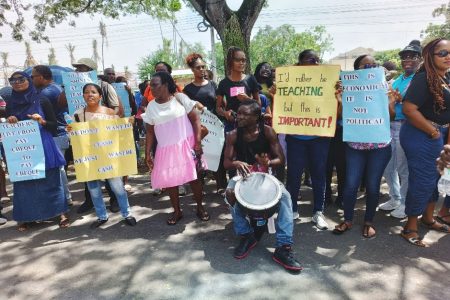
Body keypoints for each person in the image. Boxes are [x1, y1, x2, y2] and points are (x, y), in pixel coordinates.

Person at [223, 100, 302, 272]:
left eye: (245, 114)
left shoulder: (268, 132)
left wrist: (268, 161)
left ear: (256, 116)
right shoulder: (233, 134)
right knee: (230, 193)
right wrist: (236, 162)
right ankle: (246, 235)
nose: (240, 116)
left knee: (285, 197)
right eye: (239, 113)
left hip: (265, 175)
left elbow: (281, 159)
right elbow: (226, 163)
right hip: (242, 177)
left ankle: (283, 247)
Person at [333, 55, 394, 238]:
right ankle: (348, 219)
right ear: (356, 70)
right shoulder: (347, 88)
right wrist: (340, 99)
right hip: (355, 146)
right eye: (365, 65)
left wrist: (391, 101)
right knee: (351, 185)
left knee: (373, 185)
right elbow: (342, 116)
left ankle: (369, 221)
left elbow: (390, 115)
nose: (370, 67)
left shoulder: (385, 87)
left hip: (380, 146)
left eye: (373, 65)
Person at [400, 38, 450, 247]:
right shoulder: (423, 79)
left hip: (437, 134)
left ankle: (427, 219)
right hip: (422, 134)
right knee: (422, 180)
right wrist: (433, 133)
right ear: (430, 56)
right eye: (443, 53)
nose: (448, 57)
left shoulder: (444, 78)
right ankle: (409, 227)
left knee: (434, 179)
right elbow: (408, 109)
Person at [143, 72, 209, 225]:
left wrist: (198, 143)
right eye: (150, 85)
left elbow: (196, 120)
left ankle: (200, 207)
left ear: (165, 85)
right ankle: (177, 211)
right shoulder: (151, 106)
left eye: (154, 84)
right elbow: (150, 132)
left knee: (194, 179)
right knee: (171, 183)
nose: (151, 88)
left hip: (187, 146)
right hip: (165, 150)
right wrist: (147, 154)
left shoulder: (180, 98)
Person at [6, 71, 68, 231]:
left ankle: (61, 213)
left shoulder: (42, 99)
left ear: (29, 81)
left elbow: (55, 125)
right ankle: (26, 217)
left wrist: (42, 121)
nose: (17, 82)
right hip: (21, 150)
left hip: (44, 145)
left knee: (51, 180)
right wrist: (10, 121)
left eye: (21, 79)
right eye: (13, 80)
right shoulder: (11, 103)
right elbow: (8, 125)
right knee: (24, 184)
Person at [70, 83, 137, 228]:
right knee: (94, 190)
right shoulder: (77, 114)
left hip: (108, 156)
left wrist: (128, 123)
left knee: (118, 187)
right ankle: (101, 216)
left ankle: (127, 213)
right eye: (86, 92)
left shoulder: (109, 113)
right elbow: (74, 134)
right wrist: (69, 129)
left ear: (100, 96)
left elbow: (118, 131)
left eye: (93, 92)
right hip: (89, 157)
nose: (90, 95)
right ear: (83, 96)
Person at [65, 58, 122, 214]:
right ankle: (89, 200)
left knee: (109, 170)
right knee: (88, 169)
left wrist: (103, 123)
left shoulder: (104, 86)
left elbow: (115, 108)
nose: (77, 72)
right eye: (76, 69)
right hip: (83, 137)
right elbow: (62, 102)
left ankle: (115, 200)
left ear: (90, 70)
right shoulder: (72, 86)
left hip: (103, 136)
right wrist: (66, 89)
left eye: (81, 68)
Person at [285, 49, 330, 229]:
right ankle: (292, 209)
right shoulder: (289, 81)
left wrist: (337, 96)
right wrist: (275, 95)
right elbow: (281, 108)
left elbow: (335, 109)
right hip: (295, 138)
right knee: (294, 176)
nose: (315, 63)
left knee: (319, 175)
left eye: (317, 60)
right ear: (299, 64)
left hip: (319, 138)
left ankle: (318, 212)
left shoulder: (328, 82)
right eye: (311, 59)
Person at [378, 40, 422, 219]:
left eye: (412, 57)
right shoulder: (397, 80)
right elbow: (387, 100)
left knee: (404, 168)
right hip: (389, 126)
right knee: (387, 166)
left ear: (420, 59)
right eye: (404, 57)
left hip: (407, 127)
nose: (407, 60)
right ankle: (395, 197)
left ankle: (405, 203)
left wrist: (399, 100)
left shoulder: (420, 79)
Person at [183, 52, 227, 194]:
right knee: (199, 156)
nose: (201, 69)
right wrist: (194, 103)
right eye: (198, 67)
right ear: (192, 69)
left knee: (217, 155)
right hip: (197, 128)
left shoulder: (213, 85)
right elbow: (183, 107)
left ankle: (221, 186)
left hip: (214, 126)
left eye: (203, 67)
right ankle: (199, 188)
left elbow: (221, 104)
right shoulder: (188, 89)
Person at [31, 65, 72, 206]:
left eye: (33, 77)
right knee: (60, 168)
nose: (31, 80)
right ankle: (65, 197)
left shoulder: (45, 93)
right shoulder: (57, 88)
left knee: (57, 169)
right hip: (61, 132)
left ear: (41, 77)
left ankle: (64, 199)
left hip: (54, 133)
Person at [216, 46, 261, 134]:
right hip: (231, 125)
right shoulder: (223, 83)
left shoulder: (251, 79)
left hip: (249, 125)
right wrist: (225, 113)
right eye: (237, 60)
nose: (241, 63)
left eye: (243, 60)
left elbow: (259, 105)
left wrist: (248, 100)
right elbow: (218, 108)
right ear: (230, 62)